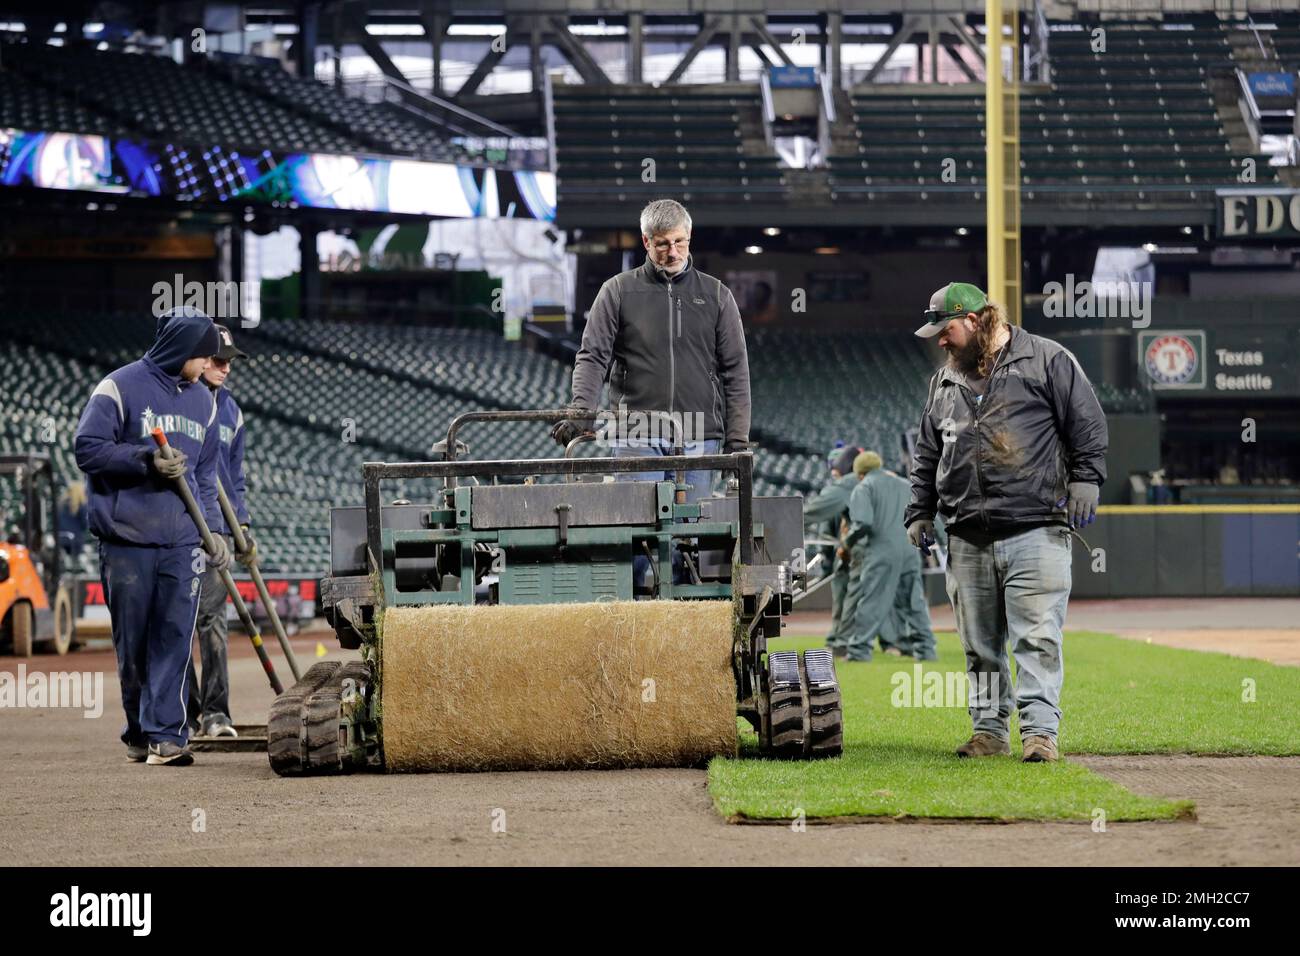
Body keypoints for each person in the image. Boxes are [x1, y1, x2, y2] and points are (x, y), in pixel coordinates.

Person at [905, 282, 1108, 762]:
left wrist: (1087, 479)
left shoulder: (1047, 359)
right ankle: (989, 733)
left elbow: (1088, 424)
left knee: (1036, 638)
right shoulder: (944, 381)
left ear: (974, 321)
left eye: (946, 329)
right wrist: (920, 509)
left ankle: (1039, 735)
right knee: (980, 647)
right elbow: (928, 451)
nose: (940, 340)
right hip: (966, 532)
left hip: (1035, 525)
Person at [551, 199, 751, 584]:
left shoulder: (717, 295)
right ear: (646, 242)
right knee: (636, 536)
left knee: (688, 540)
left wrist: (737, 441)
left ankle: (684, 635)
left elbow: (736, 373)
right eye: (662, 243)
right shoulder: (618, 291)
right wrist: (581, 411)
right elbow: (592, 357)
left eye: (679, 242)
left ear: (689, 238)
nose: (672, 251)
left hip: (698, 435)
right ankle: (634, 629)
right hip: (635, 429)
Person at [74, 306, 229, 767]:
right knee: (135, 643)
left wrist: (212, 531)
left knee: (176, 637)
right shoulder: (118, 387)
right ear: (182, 349)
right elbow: (88, 448)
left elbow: (204, 474)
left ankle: (168, 735)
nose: (208, 366)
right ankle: (139, 732)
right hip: (127, 539)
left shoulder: (205, 400)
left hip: (182, 542)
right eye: (203, 356)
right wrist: (145, 460)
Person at [185, 324, 254, 739]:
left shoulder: (231, 410)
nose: (224, 368)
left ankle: (215, 714)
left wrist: (241, 524)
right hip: (179, 527)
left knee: (213, 620)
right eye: (217, 360)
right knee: (178, 623)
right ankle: (185, 714)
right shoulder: (178, 400)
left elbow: (235, 476)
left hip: (218, 531)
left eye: (228, 361)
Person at [841, 451, 913, 662]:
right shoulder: (903, 484)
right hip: (906, 549)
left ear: (860, 473)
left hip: (879, 550)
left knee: (871, 601)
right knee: (903, 600)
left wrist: (847, 543)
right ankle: (904, 645)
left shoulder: (864, 487)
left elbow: (862, 523)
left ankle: (858, 651)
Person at [802, 445, 862, 653]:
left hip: (849, 552)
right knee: (847, 598)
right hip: (844, 553)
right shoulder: (852, 489)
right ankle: (840, 639)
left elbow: (825, 526)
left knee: (850, 598)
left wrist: (826, 557)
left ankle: (841, 641)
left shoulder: (842, 491)